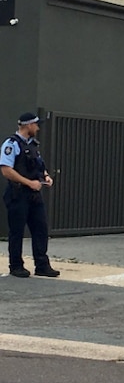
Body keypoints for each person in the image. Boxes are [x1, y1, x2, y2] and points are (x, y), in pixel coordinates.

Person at [0, 113, 60, 278]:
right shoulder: (11, 144)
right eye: (35, 124)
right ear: (28, 125)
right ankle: (16, 266)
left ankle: (42, 265)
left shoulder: (33, 145)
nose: (38, 128)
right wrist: (28, 182)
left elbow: (38, 165)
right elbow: (6, 170)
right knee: (17, 231)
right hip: (18, 193)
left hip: (34, 195)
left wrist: (45, 176)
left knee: (40, 229)